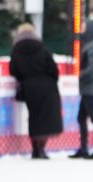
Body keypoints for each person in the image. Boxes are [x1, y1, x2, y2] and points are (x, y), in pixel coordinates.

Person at [8, 23, 62, 160]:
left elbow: (13, 70)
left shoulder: (16, 51)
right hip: (47, 86)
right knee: (47, 118)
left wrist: (25, 80)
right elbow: (54, 69)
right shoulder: (42, 49)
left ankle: (35, 149)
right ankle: (42, 148)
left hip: (29, 87)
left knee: (34, 117)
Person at [71, 19, 93, 160]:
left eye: (85, 28)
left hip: (91, 88)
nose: (82, 30)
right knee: (82, 118)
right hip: (88, 88)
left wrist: (81, 75)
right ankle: (84, 148)